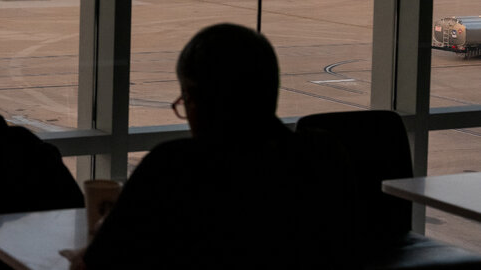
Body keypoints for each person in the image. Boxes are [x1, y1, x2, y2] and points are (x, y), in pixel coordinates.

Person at [74, 23, 352, 269]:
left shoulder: (171, 168)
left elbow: (98, 262)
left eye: (185, 101)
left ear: (195, 102)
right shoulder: (322, 155)